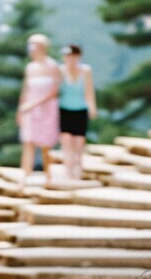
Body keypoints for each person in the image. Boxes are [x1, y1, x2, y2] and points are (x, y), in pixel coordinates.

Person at [17, 34, 61, 184]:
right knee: (28, 141)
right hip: (29, 109)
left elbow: (55, 91)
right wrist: (20, 110)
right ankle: (25, 176)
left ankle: (49, 177)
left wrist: (34, 103)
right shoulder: (30, 67)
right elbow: (25, 89)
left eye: (33, 45)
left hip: (47, 108)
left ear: (42, 47)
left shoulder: (52, 66)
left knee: (45, 143)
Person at [58, 44, 97, 180]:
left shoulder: (85, 71)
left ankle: (78, 165)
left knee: (79, 140)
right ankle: (68, 168)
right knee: (66, 139)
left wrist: (92, 107)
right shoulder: (61, 71)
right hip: (64, 109)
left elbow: (89, 91)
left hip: (80, 109)